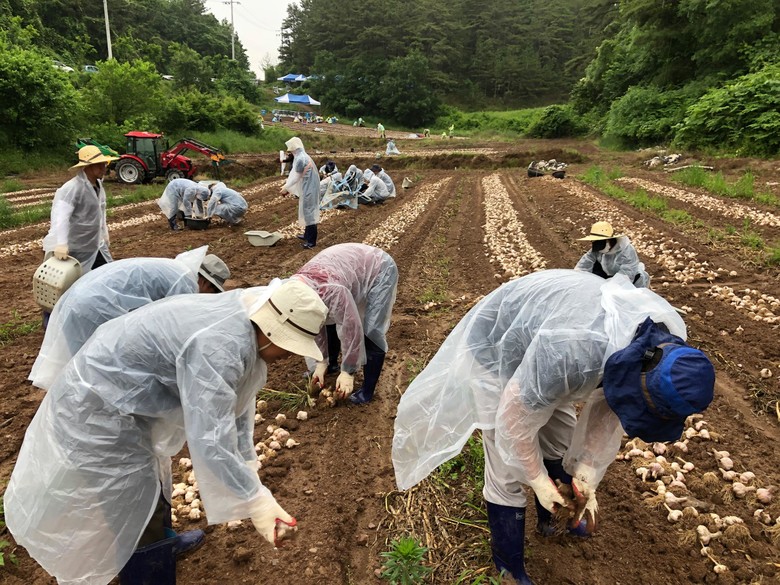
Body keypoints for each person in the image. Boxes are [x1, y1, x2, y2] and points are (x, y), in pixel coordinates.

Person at [392, 270, 715, 584]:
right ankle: (509, 569)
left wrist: (587, 471)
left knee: (559, 439)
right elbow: (514, 423)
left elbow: (611, 407)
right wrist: (536, 480)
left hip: (555, 346)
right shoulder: (573, 353)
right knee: (507, 468)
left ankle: (553, 516)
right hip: (500, 346)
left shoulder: (667, 345)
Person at [5, 279, 328, 585]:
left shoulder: (246, 330)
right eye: (289, 346)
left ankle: (164, 544)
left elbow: (239, 404)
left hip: (127, 403)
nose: (290, 355)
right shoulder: (219, 347)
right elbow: (210, 439)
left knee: (153, 480)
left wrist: (247, 462)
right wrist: (257, 502)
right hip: (98, 409)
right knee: (131, 498)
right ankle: (149, 570)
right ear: (272, 332)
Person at [28, 246, 231, 391]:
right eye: (212, 292)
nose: (208, 297)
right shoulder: (185, 283)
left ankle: (71, 400)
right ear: (205, 283)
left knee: (83, 362)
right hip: (93, 307)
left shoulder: (176, 270)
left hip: (81, 297)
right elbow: (173, 330)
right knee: (93, 364)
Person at [296, 243, 398, 405]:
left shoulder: (331, 291)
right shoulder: (298, 290)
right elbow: (315, 323)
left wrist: (348, 371)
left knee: (371, 330)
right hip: (346, 269)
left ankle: (367, 390)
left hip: (379, 268)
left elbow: (350, 326)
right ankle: (331, 365)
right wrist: (321, 361)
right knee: (327, 316)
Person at [43, 145, 117, 271]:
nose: (103, 168)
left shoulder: (98, 185)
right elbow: (61, 217)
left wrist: (104, 233)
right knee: (77, 278)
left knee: (107, 274)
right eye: (99, 165)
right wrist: (61, 243)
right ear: (88, 166)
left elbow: (101, 211)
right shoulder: (72, 188)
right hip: (77, 247)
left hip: (95, 244)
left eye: (104, 164)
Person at [575, 221, 650, 287]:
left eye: (600, 242)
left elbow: (627, 274)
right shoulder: (597, 250)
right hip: (608, 275)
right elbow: (584, 264)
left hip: (631, 281)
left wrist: (608, 285)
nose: (597, 246)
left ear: (609, 240)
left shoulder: (626, 251)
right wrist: (577, 277)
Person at [281, 137, 320, 249]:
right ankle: (307, 235)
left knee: (309, 213)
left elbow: (296, 177)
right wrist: (287, 186)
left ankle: (311, 241)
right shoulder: (301, 156)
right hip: (308, 187)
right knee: (307, 211)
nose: (289, 151)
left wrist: (286, 187)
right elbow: (295, 175)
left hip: (309, 189)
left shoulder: (300, 159)